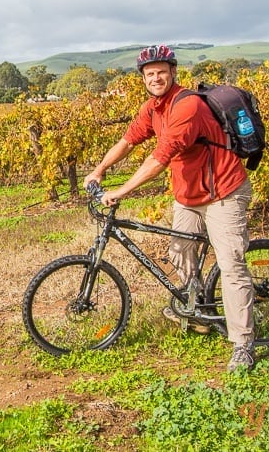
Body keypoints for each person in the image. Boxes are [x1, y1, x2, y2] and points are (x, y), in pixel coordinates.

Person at [83, 44, 256, 372]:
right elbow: (128, 140)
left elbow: (159, 158)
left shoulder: (186, 105)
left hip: (224, 192)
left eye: (162, 71)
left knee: (231, 266)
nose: (156, 77)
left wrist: (121, 190)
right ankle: (197, 312)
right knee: (180, 251)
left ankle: (243, 344)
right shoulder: (153, 108)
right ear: (144, 79)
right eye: (150, 74)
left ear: (173, 72)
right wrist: (99, 170)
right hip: (189, 194)